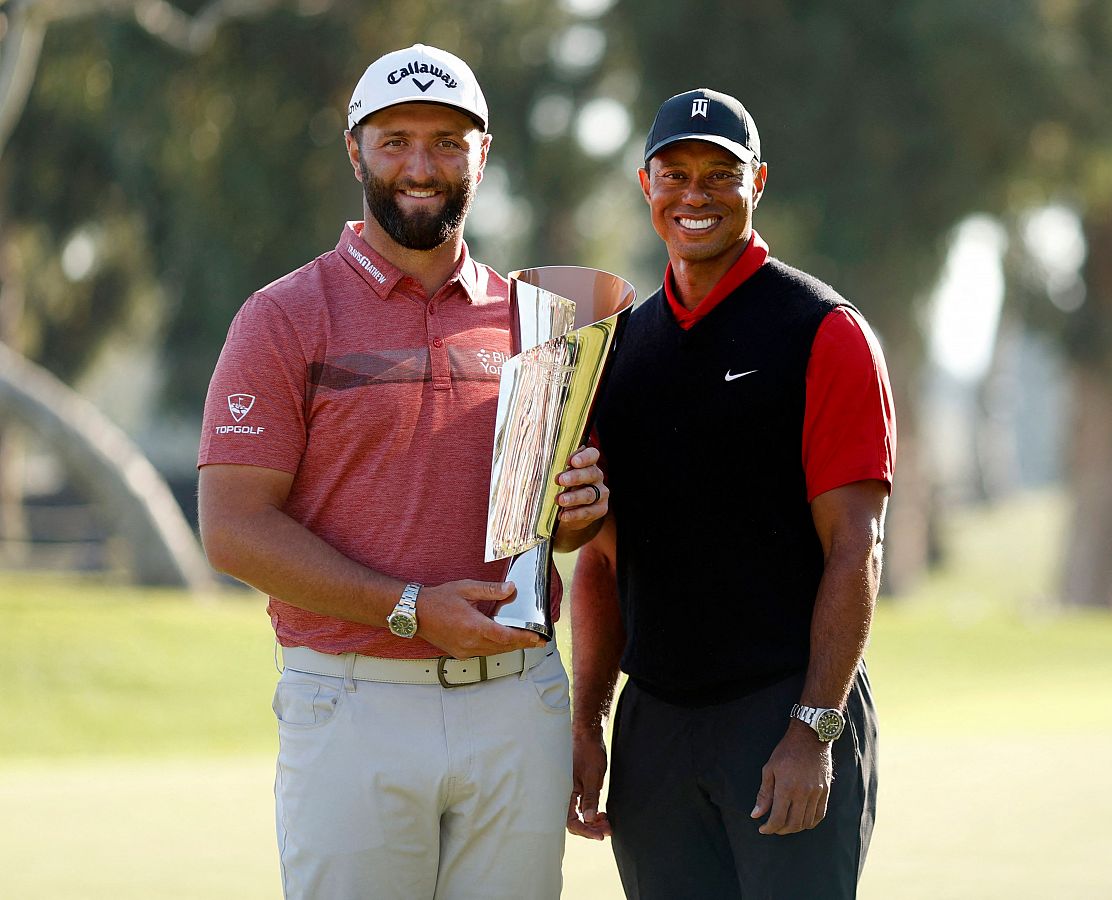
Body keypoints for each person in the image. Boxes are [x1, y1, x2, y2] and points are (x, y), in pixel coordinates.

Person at [196, 44, 606, 900]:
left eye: (448, 143)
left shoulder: (538, 319)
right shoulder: (282, 317)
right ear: (355, 150)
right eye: (395, 140)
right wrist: (412, 610)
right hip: (352, 700)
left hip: (515, 697)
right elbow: (233, 528)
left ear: (482, 154)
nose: (421, 166)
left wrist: (577, 513)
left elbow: (550, 530)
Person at [567, 88, 896, 899]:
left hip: (782, 713)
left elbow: (856, 546)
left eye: (721, 175)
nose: (695, 195)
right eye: (675, 173)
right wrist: (587, 719)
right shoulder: (619, 349)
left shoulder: (824, 331)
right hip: (656, 727)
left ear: (759, 184)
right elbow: (604, 565)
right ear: (646, 185)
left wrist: (813, 729)